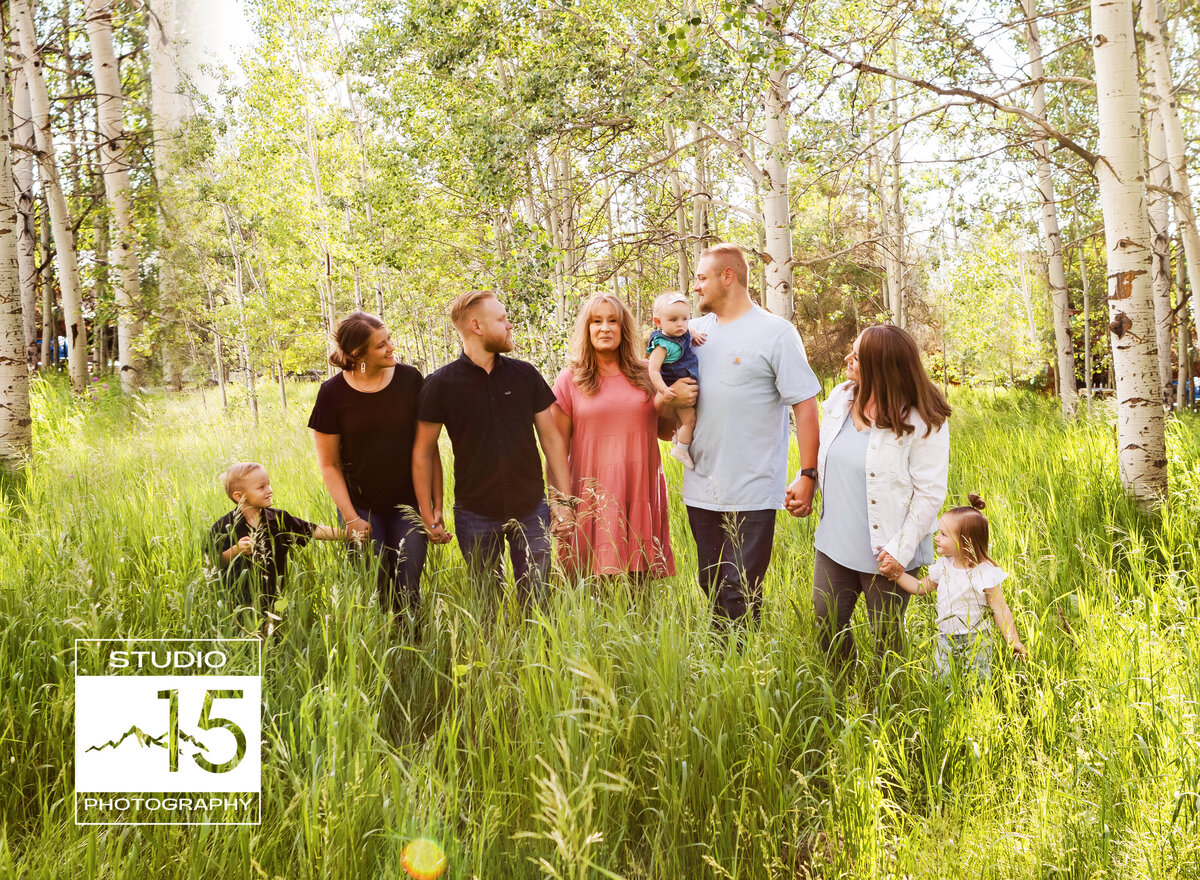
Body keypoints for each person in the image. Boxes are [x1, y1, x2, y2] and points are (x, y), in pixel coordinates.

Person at [674, 243, 821, 628]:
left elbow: (805, 406)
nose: (696, 287)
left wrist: (808, 475)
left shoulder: (775, 333)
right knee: (710, 584)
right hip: (701, 486)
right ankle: (722, 674)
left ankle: (740, 672)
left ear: (728, 276)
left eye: (702, 278)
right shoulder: (691, 334)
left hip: (753, 490)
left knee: (740, 592)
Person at [413, 290, 574, 604]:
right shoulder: (440, 385)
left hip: (531, 509)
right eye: (502, 319)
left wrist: (564, 502)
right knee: (486, 604)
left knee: (539, 601)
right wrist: (428, 513)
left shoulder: (525, 374)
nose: (510, 325)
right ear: (477, 326)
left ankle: (538, 652)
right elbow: (422, 451)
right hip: (475, 512)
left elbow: (552, 439)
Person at [805, 324, 951, 664]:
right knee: (827, 623)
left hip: (888, 548)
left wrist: (900, 550)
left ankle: (889, 705)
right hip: (834, 541)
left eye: (857, 355)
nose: (848, 359)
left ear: (880, 366)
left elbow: (930, 492)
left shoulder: (923, 419)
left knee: (886, 635)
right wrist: (807, 481)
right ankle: (841, 694)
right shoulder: (840, 399)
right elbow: (826, 457)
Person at [308, 312, 448, 622]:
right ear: (358, 354)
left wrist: (435, 508)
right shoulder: (332, 395)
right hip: (361, 507)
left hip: (409, 504)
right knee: (376, 589)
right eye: (381, 345)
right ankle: (384, 656)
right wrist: (350, 518)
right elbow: (329, 464)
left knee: (408, 586)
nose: (391, 347)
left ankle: (412, 652)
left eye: (389, 339)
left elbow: (428, 450)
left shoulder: (410, 379)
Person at [549, 294, 676, 580]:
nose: (604, 328)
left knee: (639, 591)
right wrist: (558, 505)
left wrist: (673, 399)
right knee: (589, 588)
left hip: (640, 492)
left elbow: (666, 432)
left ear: (624, 328)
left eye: (612, 321)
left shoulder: (648, 373)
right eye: (597, 321)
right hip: (590, 497)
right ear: (587, 329)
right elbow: (555, 449)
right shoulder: (570, 380)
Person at [879, 495, 1027, 678]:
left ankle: (978, 703)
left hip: (976, 640)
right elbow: (919, 588)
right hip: (945, 638)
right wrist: (898, 574)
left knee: (977, 683)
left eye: (943, 534)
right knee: (943, 681)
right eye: (938, 532)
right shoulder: (943, 567)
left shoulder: (985, 573)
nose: (936, 538)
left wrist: (1013, 640)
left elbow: (1000, 609)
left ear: (966, 542)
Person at [207, 461, 347, 633]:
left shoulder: (278, 519)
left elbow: (313, 530)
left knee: (275, 637)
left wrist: (348, 534)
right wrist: (236, 550)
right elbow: (213, 562)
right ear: (239, 496)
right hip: (239, 603)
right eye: (261, 487)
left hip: (275, 596)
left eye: (269, 484)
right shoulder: (225, 527)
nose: (269, 490)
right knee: (247, 641)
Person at [646, 292, 701, 468]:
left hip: (685, 383)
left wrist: (694, 332)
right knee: (689, 420)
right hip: (675, 388)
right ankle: (682, 449)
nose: (680, 324)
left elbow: (688, 330)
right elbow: (653, 370)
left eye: (685, 319)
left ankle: (679, 439)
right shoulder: (662, 345)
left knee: (681, 421)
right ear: (658, 322)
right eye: (673, 319)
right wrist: (663, 390)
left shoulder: (682, 332)